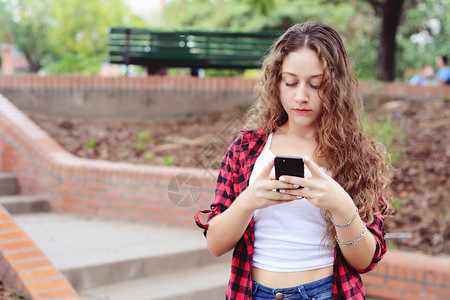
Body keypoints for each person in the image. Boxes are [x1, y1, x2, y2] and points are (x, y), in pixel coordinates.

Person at [195, 22, 392, 300]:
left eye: (316, 84)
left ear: (336, 87)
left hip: (324, 292)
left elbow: (364, 261)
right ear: (276, 82)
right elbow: (215, 244)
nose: (301, 96)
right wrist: (250, 200)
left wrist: (342, 207)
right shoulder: (248, 148)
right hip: (253, 293)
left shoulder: (358, 155)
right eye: (290, 82)